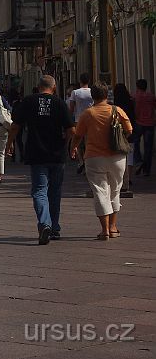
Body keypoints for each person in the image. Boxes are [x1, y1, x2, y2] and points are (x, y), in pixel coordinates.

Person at [6, 75, 74, 244]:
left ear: (38, 86)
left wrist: (9, 144)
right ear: (54, 87)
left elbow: (15, 125)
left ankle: (45, 223)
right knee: (55, 191)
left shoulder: (29, 101)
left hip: (36, 152)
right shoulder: (60, 103)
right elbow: (71, 129)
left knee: (39, 191)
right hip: (57, 155)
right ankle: (54, 227)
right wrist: (67, 145)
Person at [70, 81, 132, 240]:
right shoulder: (117, 110)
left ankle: (104, 230)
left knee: (100, 192)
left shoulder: (88, 113)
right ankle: (113, 227)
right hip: (117, 157)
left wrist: (73, 148)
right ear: (107, 95)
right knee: (115, 190)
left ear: (93, 96)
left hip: (94, 157)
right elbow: (129, 130)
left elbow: (78, 135)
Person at [69, 74, 94, 173]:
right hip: (90, 120)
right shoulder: (92, 92)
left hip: (78, 120)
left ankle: (81, 161)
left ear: (80, 81)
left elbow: (71, 108)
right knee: (88, 142)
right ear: (89, 81)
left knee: (78, 141)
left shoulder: (75, 92)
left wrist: (70, 119)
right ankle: (88, 161)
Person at [113, 83, 135, 192]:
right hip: (130, 131)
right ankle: (129, 178)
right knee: (129, 156)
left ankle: (121, 180)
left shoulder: (115, 106)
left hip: (119, 134)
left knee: (119, 158)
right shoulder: (131, 102)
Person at [132, 79, 154, 176]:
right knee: (148, 147)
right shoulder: (151, 96)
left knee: (135, 143)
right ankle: (146, 170)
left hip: (138, 123)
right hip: (150, 123)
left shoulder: (135, 96)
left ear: (137, 87)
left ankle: (138, 161)